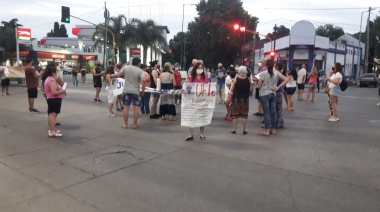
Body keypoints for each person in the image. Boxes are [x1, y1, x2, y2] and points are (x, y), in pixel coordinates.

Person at [111, 57, 146, 128]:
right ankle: (134, 124)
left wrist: (111, 75)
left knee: (126, 107)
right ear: (139, 63)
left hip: (126, 91)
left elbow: (118, 75)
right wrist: (143, 90)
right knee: (136, 108)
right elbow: (144, 80)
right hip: (136, 91)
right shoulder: (140, 71)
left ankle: (125, 124)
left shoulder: (125, 68)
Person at [257, 59, 289, 136]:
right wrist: (278, 87)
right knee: (273, 112)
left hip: (264, 94)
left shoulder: (263, 74)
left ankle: (266, 130)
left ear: (266, 65)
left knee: (266, 113)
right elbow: (287, 79)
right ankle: (273, 130)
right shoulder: (277, 73)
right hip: (273, 93)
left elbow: (259, 86)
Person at [184, 61, 209, 141]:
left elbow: (209, 88)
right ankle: (190, 134)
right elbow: (187, 87)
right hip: (192, 100)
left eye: (201, 68)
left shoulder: (205, 77)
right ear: (195, 68)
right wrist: (183, 89)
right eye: (198, 68)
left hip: (202, 100)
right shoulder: (191, 77)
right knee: (191, 116)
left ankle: (202, 133)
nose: (200, 69)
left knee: (202, 117)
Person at [43, 62, 66, 137]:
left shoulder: (48, 79)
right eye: (56, 71)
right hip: (54, 99)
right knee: (53, 114)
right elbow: (54, 92)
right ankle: (52, 131)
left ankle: (52, 129)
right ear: (53, 73)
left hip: (51, 99)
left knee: (51, 114)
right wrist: (62, 90)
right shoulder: (52, 80)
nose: (57, 73)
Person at [229, 66, 253, 134]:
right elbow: (251, 90)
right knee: (244, 115)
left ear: (238, 72)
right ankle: (244, 129)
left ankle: (234, 129)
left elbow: (232, 89)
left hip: (236, 99)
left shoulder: (236, 79)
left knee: (235, 115)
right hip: (245, 99)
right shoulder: (248, 79)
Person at [275, 62, 285, 128]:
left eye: (275, 66)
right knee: (279, 108)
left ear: (277, 67)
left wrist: (278, 87)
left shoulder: (277, 74)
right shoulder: (280, 73)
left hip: (277, 92)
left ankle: (278, 122)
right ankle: (280, 121)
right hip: (279, 91)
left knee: (276, 108)